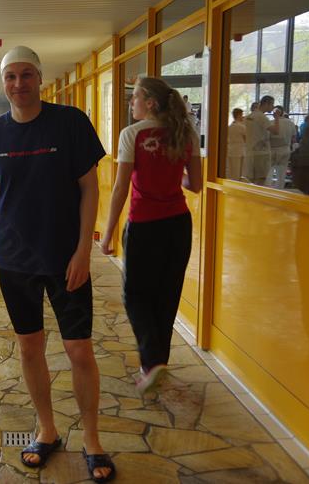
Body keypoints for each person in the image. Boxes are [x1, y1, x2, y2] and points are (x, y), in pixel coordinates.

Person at [0, 46, 113, 482]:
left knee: (78, 349)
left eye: (26, 74)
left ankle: (92, 439)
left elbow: (90, 188)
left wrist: (84, 250)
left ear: (40, 78)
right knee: (30, 347)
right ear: (3, 82)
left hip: (66, 258)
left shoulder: (69, 123)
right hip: (15, 260)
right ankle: (47, 430)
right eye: (11, 76)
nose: (19, 84)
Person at [99, 76, 202, 403]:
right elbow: (196, 185)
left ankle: (152, 363)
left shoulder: (132, 134)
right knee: (166, 296)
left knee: (135, 295)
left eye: (135, 97)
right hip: (178, 226)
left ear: (150, 103)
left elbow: (121, 188)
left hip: (144, 226)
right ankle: (156, 366)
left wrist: (108, 232)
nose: (132, 103)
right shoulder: (186, 134)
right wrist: (173, 172)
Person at [244, 95, 277, 185]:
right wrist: (277, 118)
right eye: (272, 104)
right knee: (261, 179)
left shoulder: (248, 117)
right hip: (261, 153)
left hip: (250, 151)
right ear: (266, 104)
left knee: (251, 179)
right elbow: (275, 131)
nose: (273, 107)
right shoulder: (262, 117)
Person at [268, 106, 297, 189]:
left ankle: (268, 190)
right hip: (285, 149)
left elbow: (267, 137)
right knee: (281, 174)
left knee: (269, 172)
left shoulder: (270, 123)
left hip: (272, 149)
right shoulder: (290, 123)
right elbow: (294, 138)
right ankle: (280, 190)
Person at [226, 108, 246, 180]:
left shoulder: (229, 127)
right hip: (239, 151)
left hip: (230, 150)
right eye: (241, 115)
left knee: (231, 171)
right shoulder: (241, 127)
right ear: (239, 115)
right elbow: (246, 139)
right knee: (238, 172)